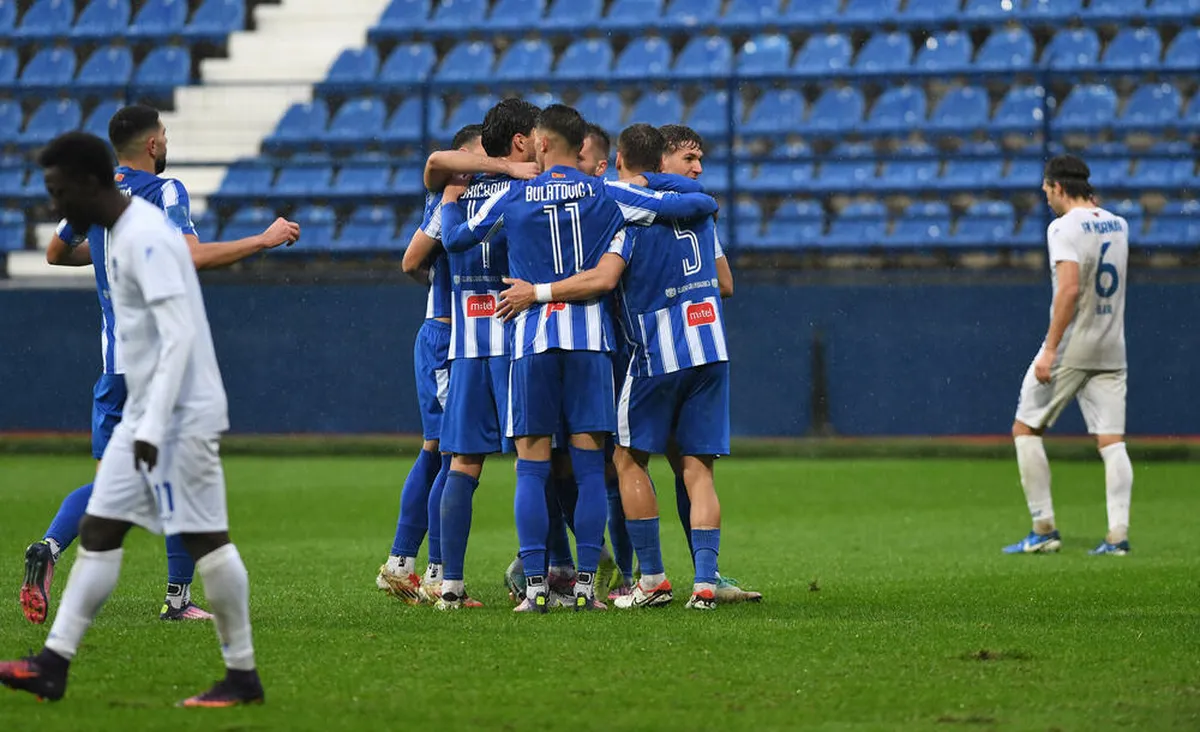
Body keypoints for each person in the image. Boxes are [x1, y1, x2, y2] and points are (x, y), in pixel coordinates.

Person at [1, 131, 262, 706]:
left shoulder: (146, 238)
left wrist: (151, 426)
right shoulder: (118, 234)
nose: (54, 203)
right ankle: (52, 665)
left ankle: (242, 676)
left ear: (90, 183)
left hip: (179, 412)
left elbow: (179, 337)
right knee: (99, 529)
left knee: (207, 540)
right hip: (148, 406)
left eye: (59, 191)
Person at [21, 105, 299, 625]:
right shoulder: (165, 191)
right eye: (165, 134)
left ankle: (49, 547)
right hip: (156, 366)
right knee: (181, 477)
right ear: (152, 144)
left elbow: (57, 252)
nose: (167, 141)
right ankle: (178, 600)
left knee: (113, 485)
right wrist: (263, 240)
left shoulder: (96, 193)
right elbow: (189, 256)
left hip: (114, 367)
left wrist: (107, 251)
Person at [441, 104, 719, 612]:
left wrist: (451, 198)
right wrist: (659, 180)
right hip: (591, 342)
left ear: (543, 144)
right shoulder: (603, 192)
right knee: (591, 469)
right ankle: (588, 588)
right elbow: (691, 204)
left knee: (531, 470)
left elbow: (457, 238)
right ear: (581, 146)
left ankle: (536, 589)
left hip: (531, 342)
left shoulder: (514, 193)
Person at [434, 98, 539, 609]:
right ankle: (541, 576)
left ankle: (450, 585)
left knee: (463, 464)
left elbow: (436, 163)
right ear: (520, 141)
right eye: (536, 135)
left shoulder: (456, 188)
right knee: (534, 461)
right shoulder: (528, 189)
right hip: (515, 342)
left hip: (466, 346)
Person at [1004, 155, 1132, 556]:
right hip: (1112, 344)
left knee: (1025, 428)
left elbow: (1070, 289)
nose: (1046, 197)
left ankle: (1043, 529)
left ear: (1058, 187)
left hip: (1073, 344)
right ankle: (1118, 537)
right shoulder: (1119, 224)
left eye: (1047, 189)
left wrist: (1049, 349)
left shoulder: (1062, 228)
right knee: (1111, 441)